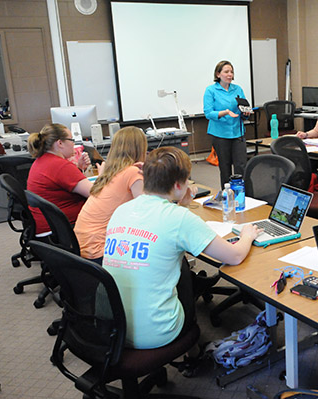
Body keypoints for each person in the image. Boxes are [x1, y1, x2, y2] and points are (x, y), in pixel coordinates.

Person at [102, 146, 262, 349]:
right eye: (187, 181)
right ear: (178, 185)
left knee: (175, 264)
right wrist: (247, 235)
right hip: (156, 333)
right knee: (183, 269)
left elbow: (163, 224)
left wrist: (181, 205)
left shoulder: (122, 210)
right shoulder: (179, 218)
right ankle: (193, 352)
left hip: (113, 327)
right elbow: (235, 256)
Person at [74, 127, 147, 264]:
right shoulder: (132, 172)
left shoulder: (109, 171)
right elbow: (149, 212)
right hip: (99, 251)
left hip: (82, 245)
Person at [27, 123, 92, 235]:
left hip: (47, 227)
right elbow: (97, 194)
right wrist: (103, 175)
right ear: (60, 143)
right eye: (71, 140)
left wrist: (79, 169)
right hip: (61, 231)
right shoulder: (61, 166)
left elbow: (61, 181)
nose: (73, 144)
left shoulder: (43, 160)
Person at [203, 60, 250, 189]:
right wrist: (225, 112)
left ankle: (242, 193)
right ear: (218, 74)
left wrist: (245, 113)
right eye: (226, 72)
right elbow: (208, 113)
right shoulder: (211, 90)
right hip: (220, 134)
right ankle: (227, 195)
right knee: (225, 167)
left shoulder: (237, 89)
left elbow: (243, 106)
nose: (230, 74)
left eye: (231, 72)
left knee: (241, 165)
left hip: (237, 132)